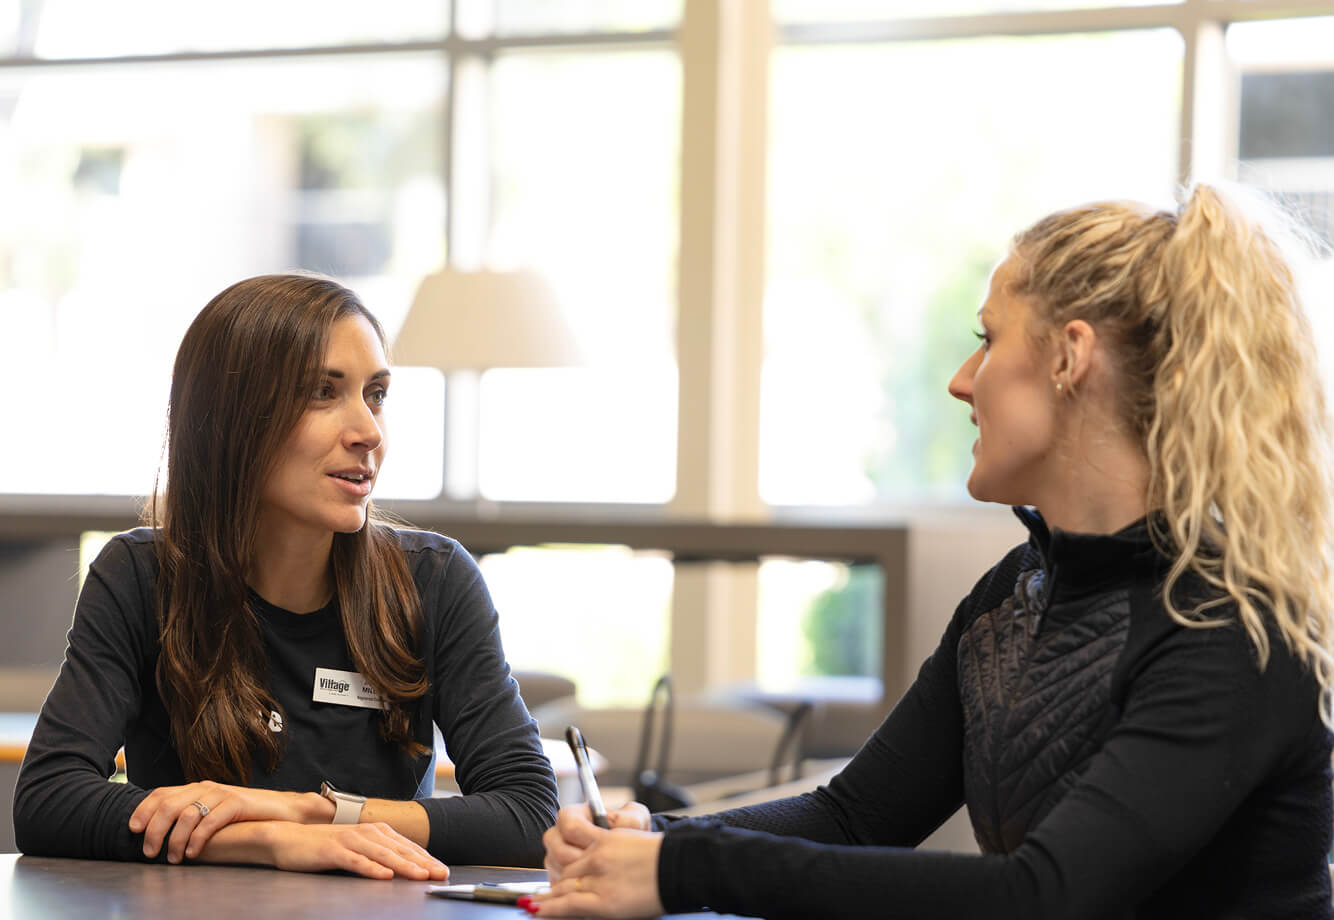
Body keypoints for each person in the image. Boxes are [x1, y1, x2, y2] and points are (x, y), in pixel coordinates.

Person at [529, 185, 1334, 919]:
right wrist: (650, 839)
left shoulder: (1234, 630)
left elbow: (1044, 898)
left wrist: (684, 869)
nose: (959, 380)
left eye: (987, 340)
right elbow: (853, 817)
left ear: (1069, 358)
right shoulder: (1016, 592)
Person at [13, 274, 559, 878]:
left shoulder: (435, 581)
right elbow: (48, 800)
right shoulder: (141, 577)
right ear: (232, 421)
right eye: (324, 393)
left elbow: (531, 816)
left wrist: (308, 814)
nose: (368, 431)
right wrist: (266, 840)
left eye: (375, 394)